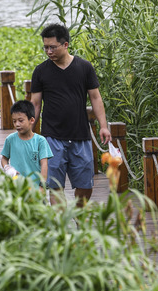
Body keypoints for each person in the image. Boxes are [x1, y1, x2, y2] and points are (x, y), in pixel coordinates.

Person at [30, 23, 111, 206]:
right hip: (51, 137)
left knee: (85, 184)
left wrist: (103, 126)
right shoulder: (41, 71)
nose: (49, 51)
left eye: (53, 47)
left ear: (65, 45)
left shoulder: (84, 67)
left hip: (80, 135)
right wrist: (28, 133)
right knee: (55, 185)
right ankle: (61, 226)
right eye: (45, 47)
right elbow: (35, 103)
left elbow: (95, 98)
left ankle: (79, 215)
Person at [0, 100, 53, 185]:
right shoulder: (10, 139)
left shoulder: (40, 141)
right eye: (14, 121)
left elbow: (44, 164)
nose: (17, 124)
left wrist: (42, 185)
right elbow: (4, 158)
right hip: (16, 187)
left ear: (31, 120)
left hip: (35, 189)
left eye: (21, 120)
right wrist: (7, 168)